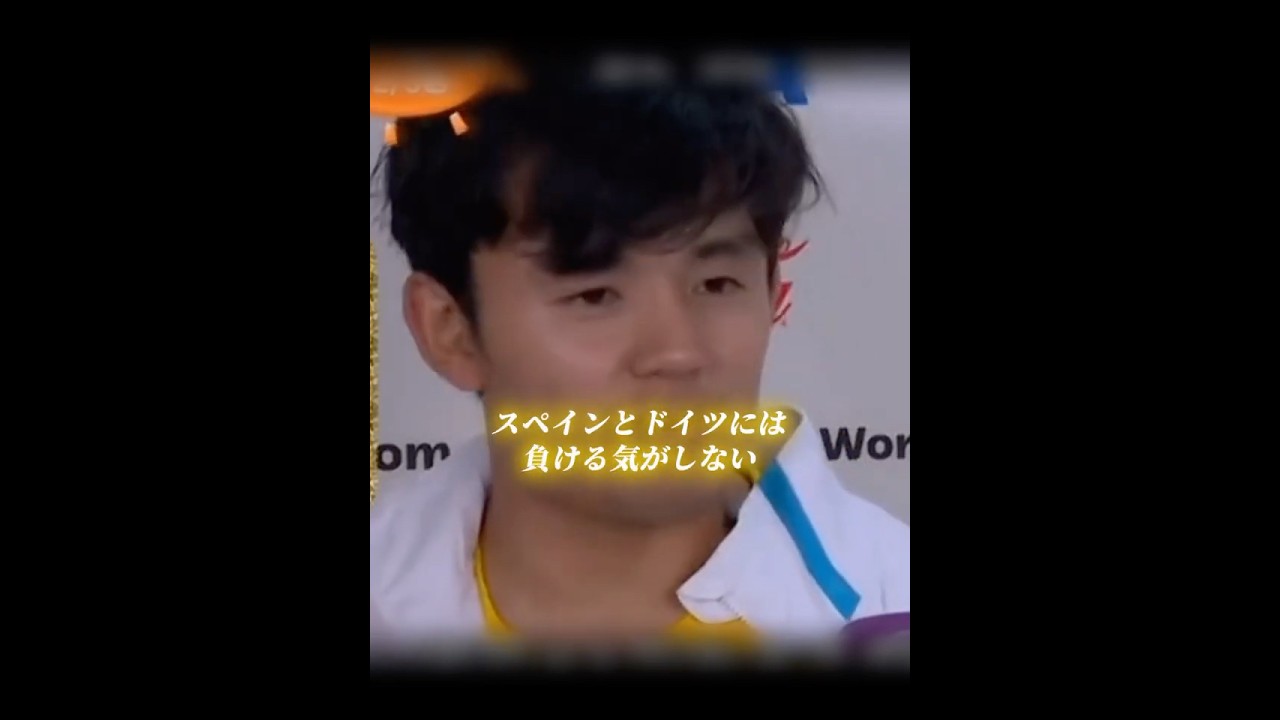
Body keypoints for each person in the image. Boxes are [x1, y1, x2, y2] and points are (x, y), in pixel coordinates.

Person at [369, 72, 909, 660]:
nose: (678, 353)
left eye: (716, 283)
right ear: (450, 331)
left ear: (771, 285)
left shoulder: (890, 599)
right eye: (595, 295)